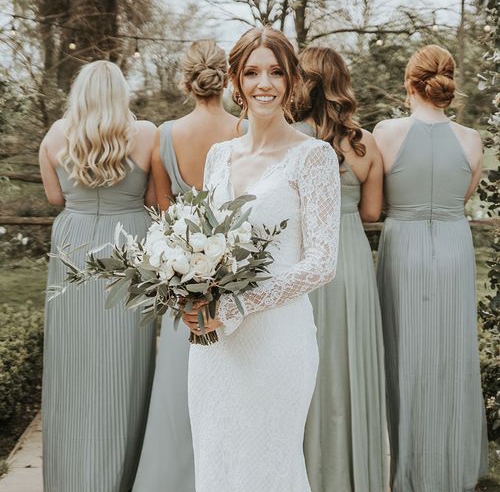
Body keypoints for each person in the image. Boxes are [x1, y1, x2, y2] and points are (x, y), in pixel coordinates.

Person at [182, 27, 341, 492]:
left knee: (269, 466)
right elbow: (202, 244)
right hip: (214, 345)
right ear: (235, 80)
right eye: (252, 72)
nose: (263, 83)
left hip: (277, 339)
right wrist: (187, 292)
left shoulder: (313, 158)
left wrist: (237, 305)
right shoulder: (218, 156)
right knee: (218, 461)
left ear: (293, 80)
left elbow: (321, 262)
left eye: (275, 72)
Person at [373, 44, 489, 492]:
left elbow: (376, 203)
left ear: (409, 83)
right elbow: (461, 198)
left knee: (403, 354)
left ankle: (404, 464)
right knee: (449, 356)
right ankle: (451, 465)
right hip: (454, 248)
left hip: (404, 246)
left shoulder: (386, 132)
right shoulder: (472, 139)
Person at [132, 39, 246, 492]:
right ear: (227, 79)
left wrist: (180, 261)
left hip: (183, 276)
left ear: (186, 79)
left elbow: (160, 211)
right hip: (236, 272)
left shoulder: (165, 135)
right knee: (234, 382)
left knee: (180, 385)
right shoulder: (243, 130)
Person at [39, 60, 156, 492]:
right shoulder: (146, 134)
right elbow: (154, 199)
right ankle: (120, 474)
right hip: (128, 246)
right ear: (120, 93)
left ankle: (71, 478)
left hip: (72, 245)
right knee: (124, 360)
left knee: (73, 362)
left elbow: (55, 196)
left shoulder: (54, 135)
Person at [296, 46, 388, 492]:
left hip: (303, 261)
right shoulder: (365, 143)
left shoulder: (289, 138)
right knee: (349, 369)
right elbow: (372, 214)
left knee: (305, 371)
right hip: (350, 261)